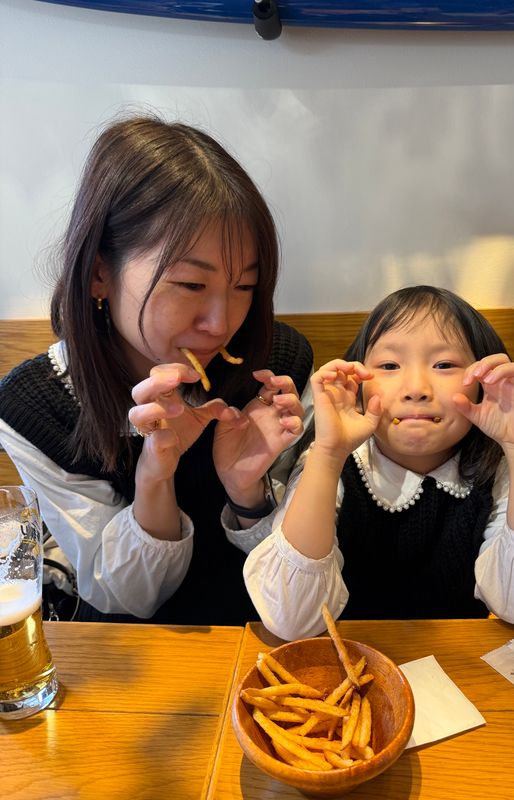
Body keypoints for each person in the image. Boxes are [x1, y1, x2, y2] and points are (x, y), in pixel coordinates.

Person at [0, 115, 314, 625]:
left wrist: (249, 495)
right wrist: (155, 475)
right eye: (191, 285)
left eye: (244, 287)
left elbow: (297, 584)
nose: (221, 324)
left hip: (260, 633)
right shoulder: (38, 407)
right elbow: (124, 600)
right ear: (100, 273)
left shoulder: (276, 370)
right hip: (131, 654)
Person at [243, 285, 514, 640]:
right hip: (354, 658)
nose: (416, 388)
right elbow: (292, 619)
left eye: (444, 365)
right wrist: (329, 454)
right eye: (390, 365)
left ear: (483, 383)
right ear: (357, 386)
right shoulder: (330, 465)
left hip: (461, 657)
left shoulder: (494, 469)